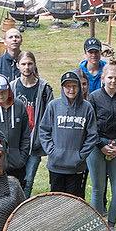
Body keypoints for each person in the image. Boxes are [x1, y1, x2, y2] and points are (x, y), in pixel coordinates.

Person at [88, 61, 116, 231]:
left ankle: (111, 224)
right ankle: (98, 224)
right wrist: (101, 145)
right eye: (109, 78)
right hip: (97, 145)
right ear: (103, 78)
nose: (112, 81)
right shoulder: (94, 97)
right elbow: (90, 126)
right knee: (98, 188)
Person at [39, 69, 97, 197]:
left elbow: (92, 135)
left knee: (75, 201)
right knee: (57, 200)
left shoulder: (87, 107)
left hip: (76, 166)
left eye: (74, 86)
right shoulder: (53, 106)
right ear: (62, 87)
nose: (71, 90)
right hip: (56, 165)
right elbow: (44, 131)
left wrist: (81, 155)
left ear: (79, 87)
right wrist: (52, 151)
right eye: (68, 86)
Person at [11, 51, 53, 197]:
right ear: (18, 65)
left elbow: (50, 116)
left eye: (29, 64)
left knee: (28, 179)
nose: (27, 67)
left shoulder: (44, 88)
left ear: (34, 65)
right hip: (16, 141)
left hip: (35, 142)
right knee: (14, 179)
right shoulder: (13, 87)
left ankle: (23, 208)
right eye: (23, 64)